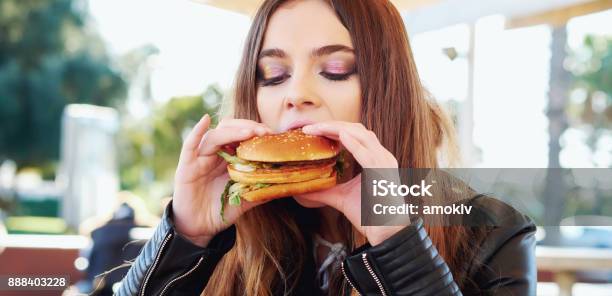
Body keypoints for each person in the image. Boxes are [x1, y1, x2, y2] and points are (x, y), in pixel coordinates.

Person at [117, 0, 536, 295]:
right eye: (273, 74)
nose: (296, 94)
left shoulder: (492, 233)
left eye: (336, 69)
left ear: (389, 90)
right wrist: (186, 237)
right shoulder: (222, 232)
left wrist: (397, 241)